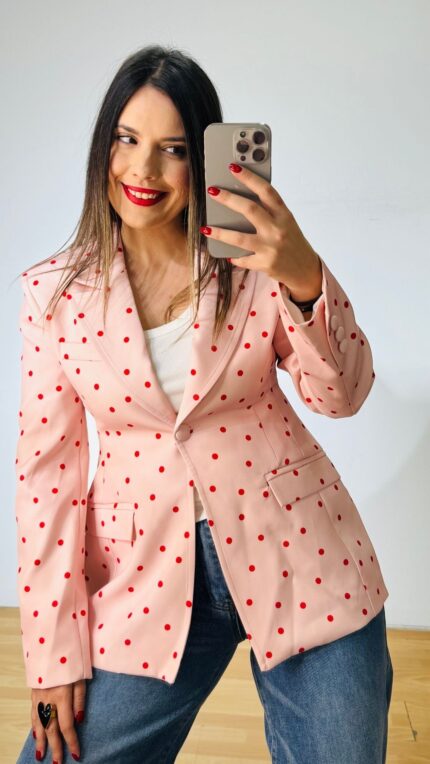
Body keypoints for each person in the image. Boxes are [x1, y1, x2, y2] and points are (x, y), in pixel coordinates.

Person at [14, 44, 393, 764]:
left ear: (205, 158)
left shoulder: (255, 262)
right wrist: (52, 652)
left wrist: (304, 276)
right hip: (145, 576)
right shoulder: (53, 295)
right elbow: (46, 480)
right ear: (102, 148)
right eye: (127, 140)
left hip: (301, 553)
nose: (143, 170)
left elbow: (342, 395)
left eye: (175, 150)